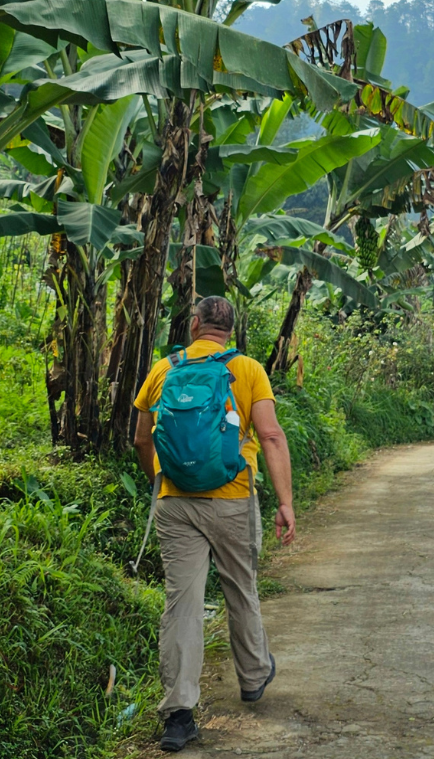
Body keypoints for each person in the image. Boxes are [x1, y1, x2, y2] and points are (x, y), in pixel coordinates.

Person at [133, 295, 296, 753]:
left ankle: (179, 716)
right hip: (233, 498)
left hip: (175, 503)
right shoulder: (247, 369)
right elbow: (270, 434)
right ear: (231, 330)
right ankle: (252, 677)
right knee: (240, 588)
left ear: (195, 325)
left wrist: (161, 482)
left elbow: (142, 438)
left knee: (181, 603)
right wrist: (285, 503)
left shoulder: (164, 369)